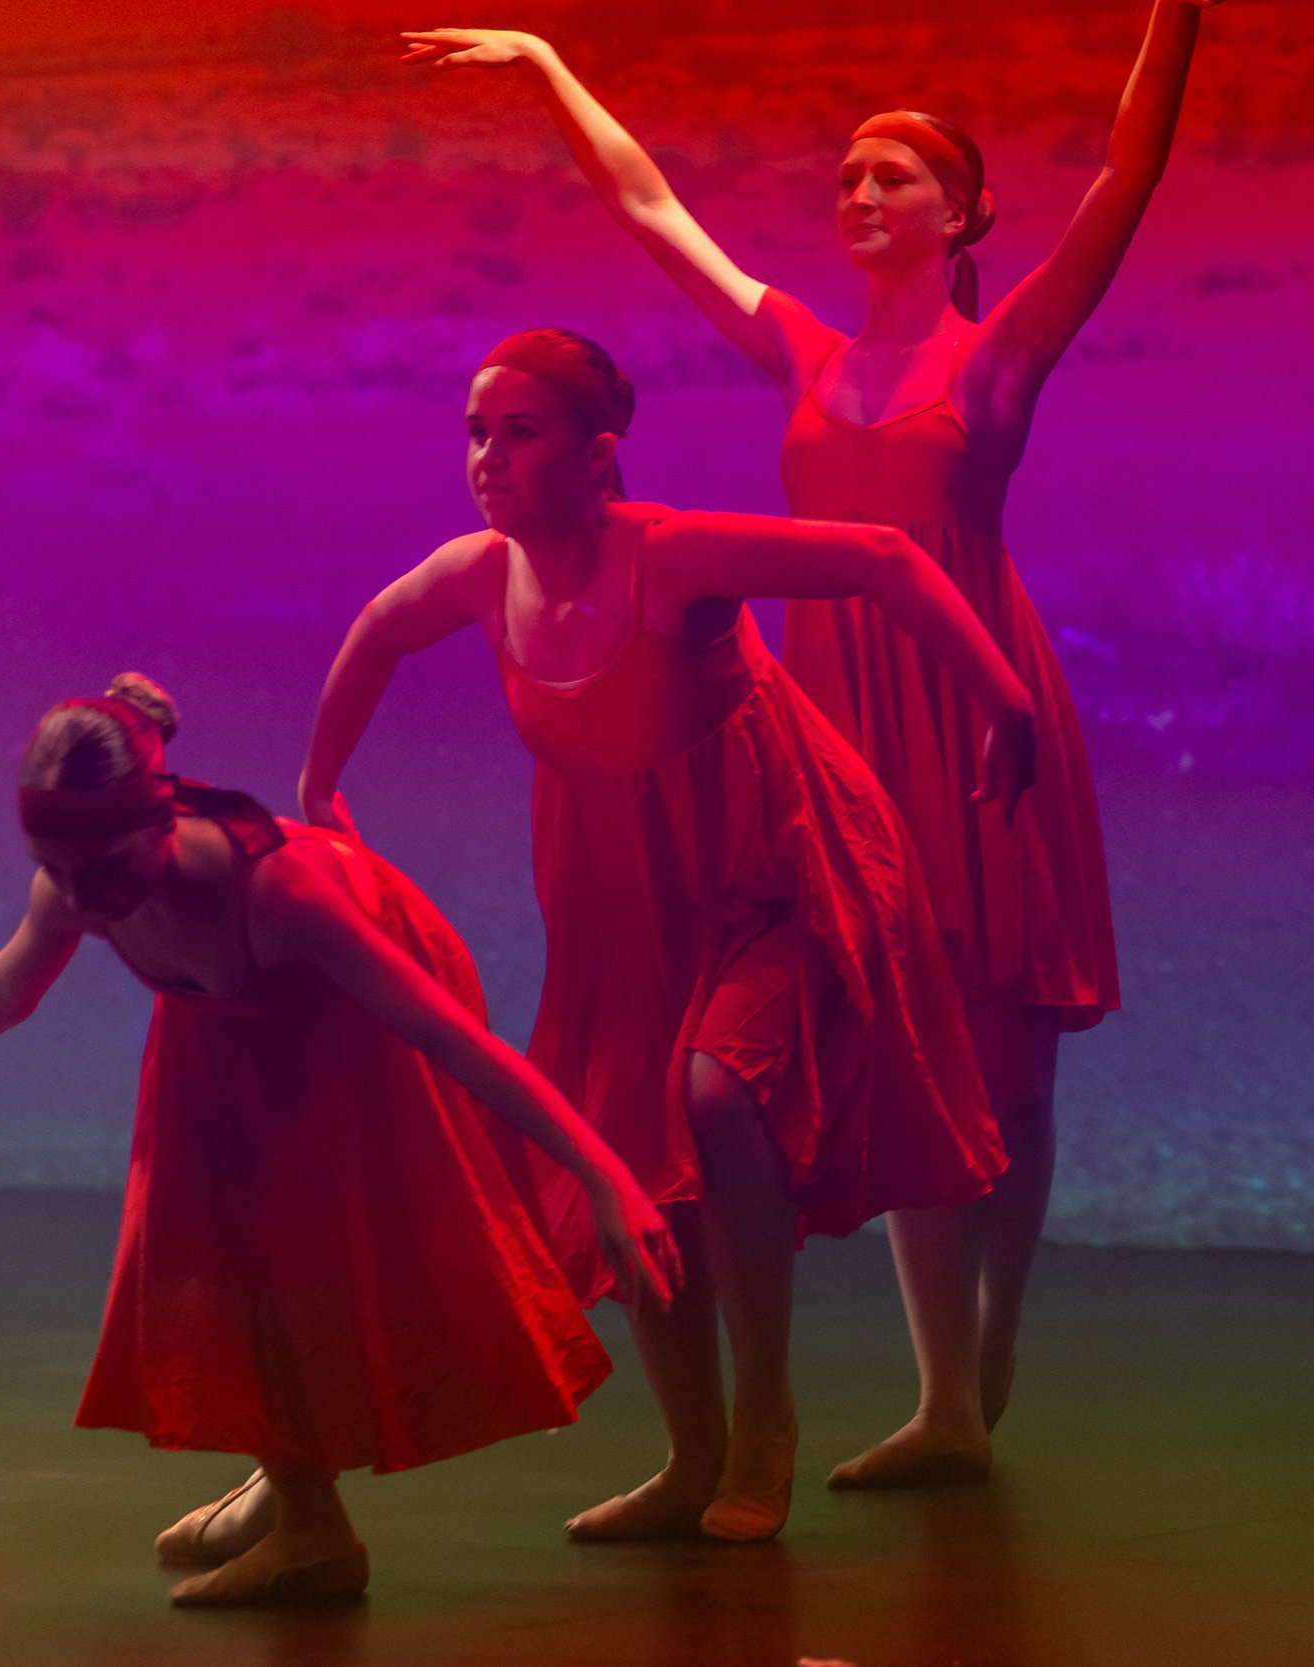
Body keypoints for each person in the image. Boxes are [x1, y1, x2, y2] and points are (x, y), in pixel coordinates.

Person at [402, 0, 1224, 1487]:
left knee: (1011, 1063)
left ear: (960, 213)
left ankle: (989, 1352)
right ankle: (945, 1395)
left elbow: (1125, 178)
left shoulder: (1002, 354)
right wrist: (546, 64)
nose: (858, 192)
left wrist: (1175, 20)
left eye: (892, 175)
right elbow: (652, 209)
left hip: (974, 694)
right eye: (846, 174)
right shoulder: (803, 351)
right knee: (910, 1048)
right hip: (830, 717)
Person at [298, 328, 1035, 1543]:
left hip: (777, 875)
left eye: (519, 433)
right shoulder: (482, 574)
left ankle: (763, 1427)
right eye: (476, 432)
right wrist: (322, 789)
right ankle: (691, 1456)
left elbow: (883, 557)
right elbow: (376, 631)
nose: (487, 457)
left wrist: (1001, 697)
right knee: (628, 1161)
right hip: (619, 911)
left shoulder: (673, 555)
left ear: (600, 458)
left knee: (717, 1092)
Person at [0, 674, 679, 1608]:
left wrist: (599, 1170)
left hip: (352, 1007)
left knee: (297, 1244)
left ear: (163, 821)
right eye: (58, 872)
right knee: (208, 1234)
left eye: (104, 871)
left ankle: (314, 1533)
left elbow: (448, 1035)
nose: (82, 901)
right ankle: (290, 1486)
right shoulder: (82, 879)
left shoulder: (281, 890)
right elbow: (7, 985)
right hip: (221, 1021)